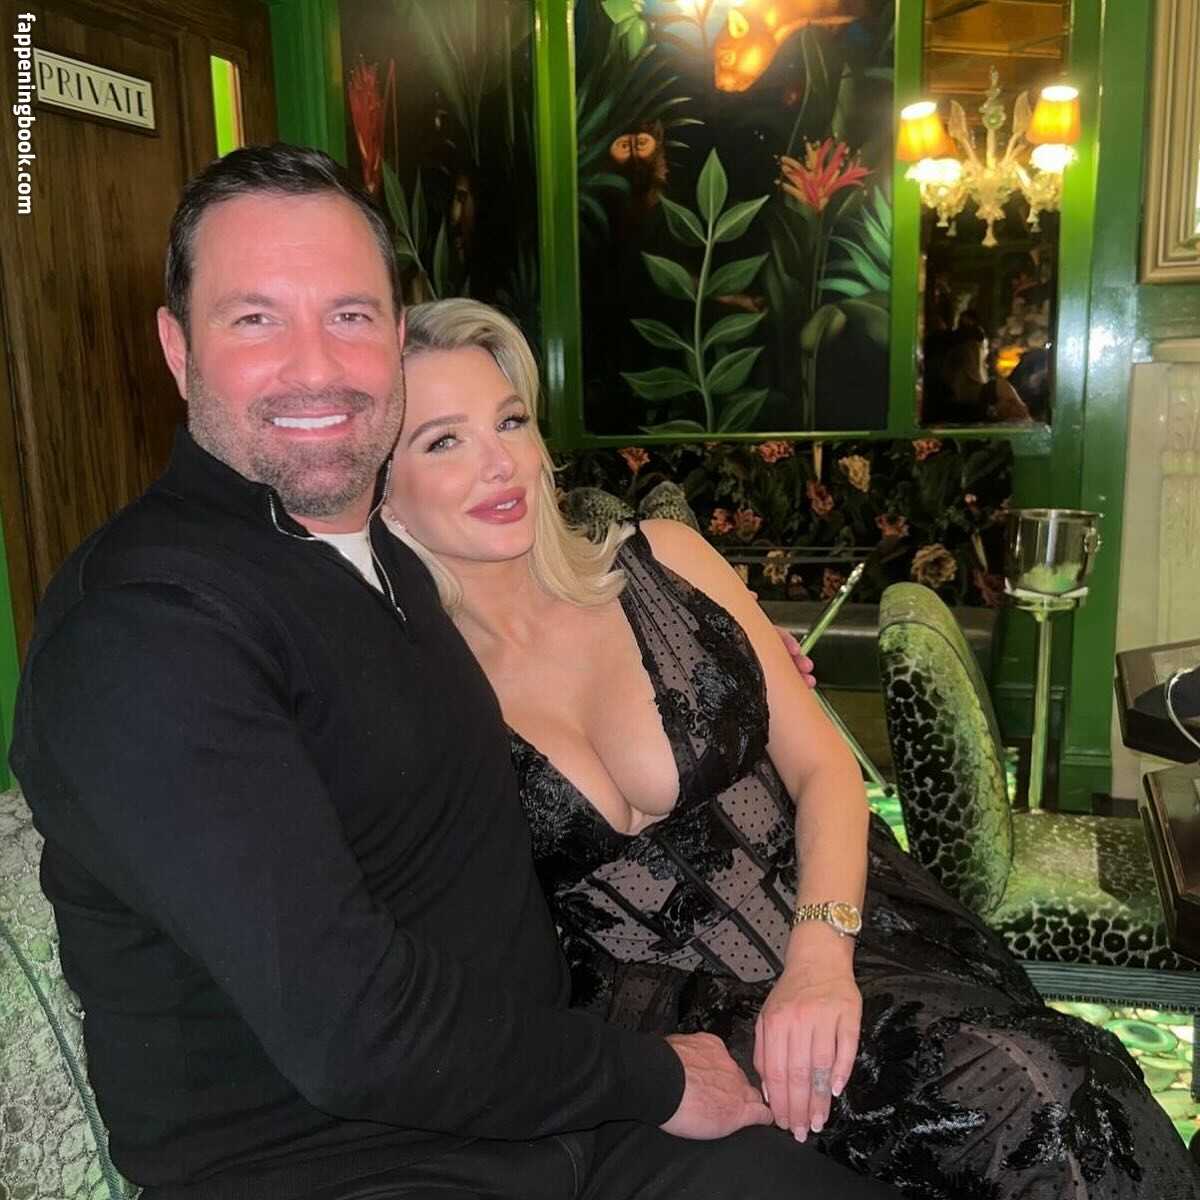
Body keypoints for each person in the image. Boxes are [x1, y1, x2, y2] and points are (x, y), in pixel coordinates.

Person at [9, 146, 894, 1200]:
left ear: (396, 338)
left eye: (350, 315)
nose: (315, 366)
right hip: (341, 1167)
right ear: (177, 346)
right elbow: (352, 1030)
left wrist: (724, 655)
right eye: (255, 319)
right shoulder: (146, 626)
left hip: (550, 1113)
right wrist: (654, 1076)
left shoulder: (380, 559)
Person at [383, 296, 1200, 1199]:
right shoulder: (407, 691)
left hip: (840, 923)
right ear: (381, 488)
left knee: (1057, 1088)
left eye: (511, 421)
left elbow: (826, 770)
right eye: (443, 441)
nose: (502, 462)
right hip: (665, 1020)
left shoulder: (662, 562)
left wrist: (818, 962)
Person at [923, 322, 1032, 426]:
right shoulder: (996, 390)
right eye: (984, 358)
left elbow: (1026, 422)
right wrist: (992, 412)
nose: (987, 364)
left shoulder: (996, 390)